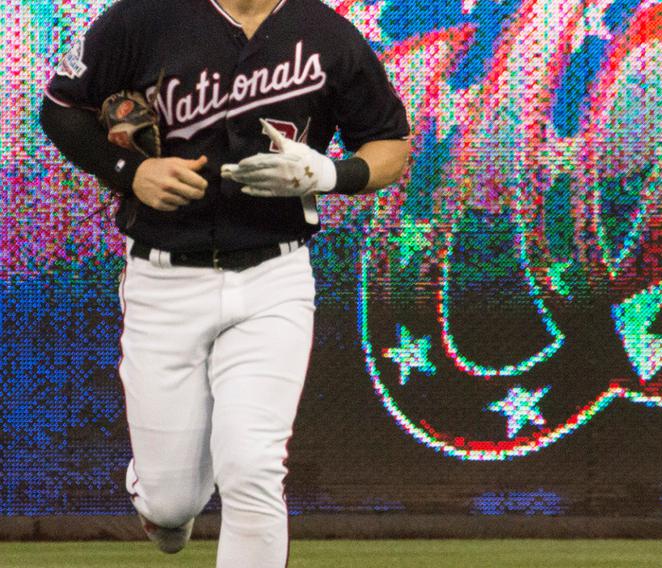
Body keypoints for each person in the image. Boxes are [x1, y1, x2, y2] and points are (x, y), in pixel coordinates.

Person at [40, 0, 411, 565]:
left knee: (252, 463)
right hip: (163, 281)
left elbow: (391, 143)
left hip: (273, 277)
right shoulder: (142, 18)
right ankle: (163, 498)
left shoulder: (326, 34)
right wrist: (131, 172)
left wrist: (333, 172)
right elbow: (62, 107)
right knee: (170, 505)